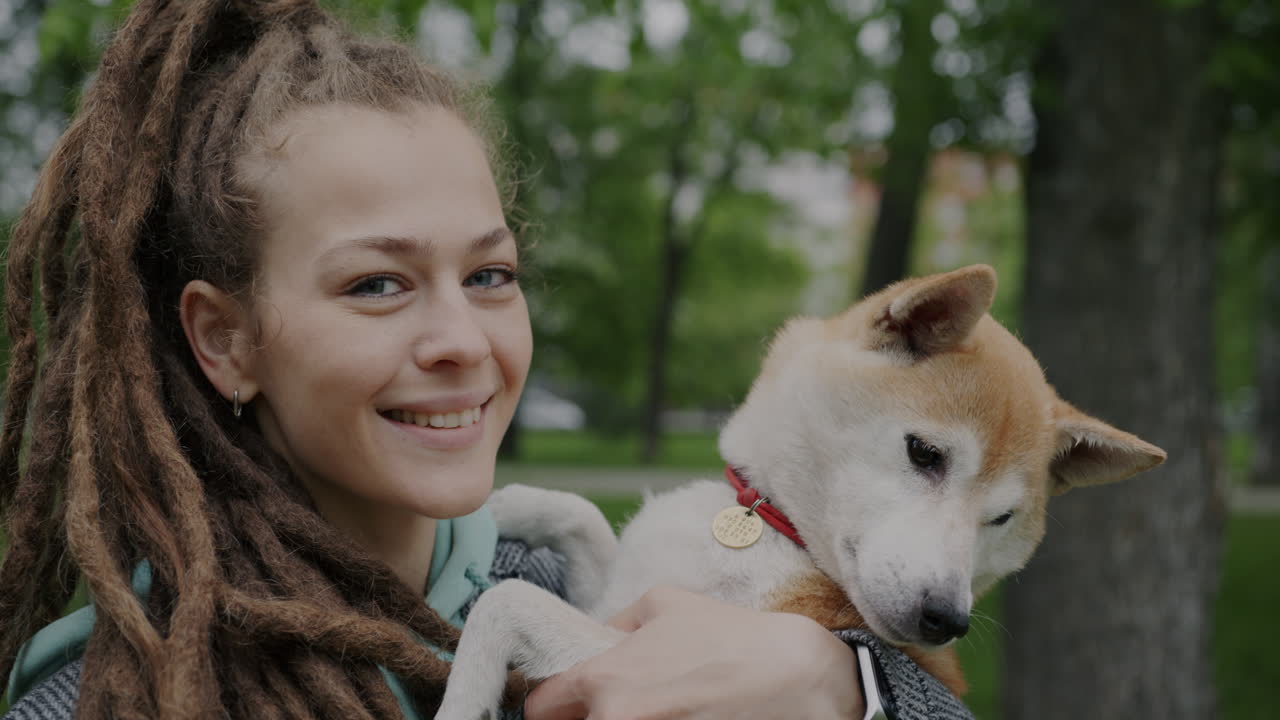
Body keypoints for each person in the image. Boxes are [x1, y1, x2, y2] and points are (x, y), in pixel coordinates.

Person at [0, 1, 974, 718]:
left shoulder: (569, 585)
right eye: (376, 285)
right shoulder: (112, 690)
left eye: (490, 275)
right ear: (226, 340)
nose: (462, 340)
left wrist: (838, 686)